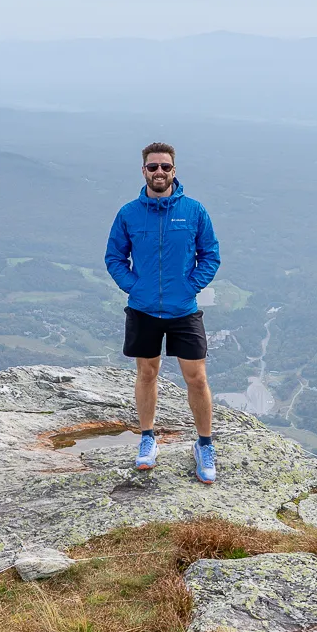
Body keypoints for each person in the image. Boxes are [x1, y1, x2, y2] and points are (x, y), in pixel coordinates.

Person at [104, 142, 221, 483]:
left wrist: (190, 287)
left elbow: (210, 255)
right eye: (153, 167)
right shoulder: (129, 214)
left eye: (165, 167)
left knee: (196, 379)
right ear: (143, 171)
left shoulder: (194, 211)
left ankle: (204, 444)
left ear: (174, 171)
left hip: (183, 309)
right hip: (143, 308)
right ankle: (147, 438)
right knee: (147, 374)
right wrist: (134, 287)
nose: (159, 172)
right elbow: (114, 257)